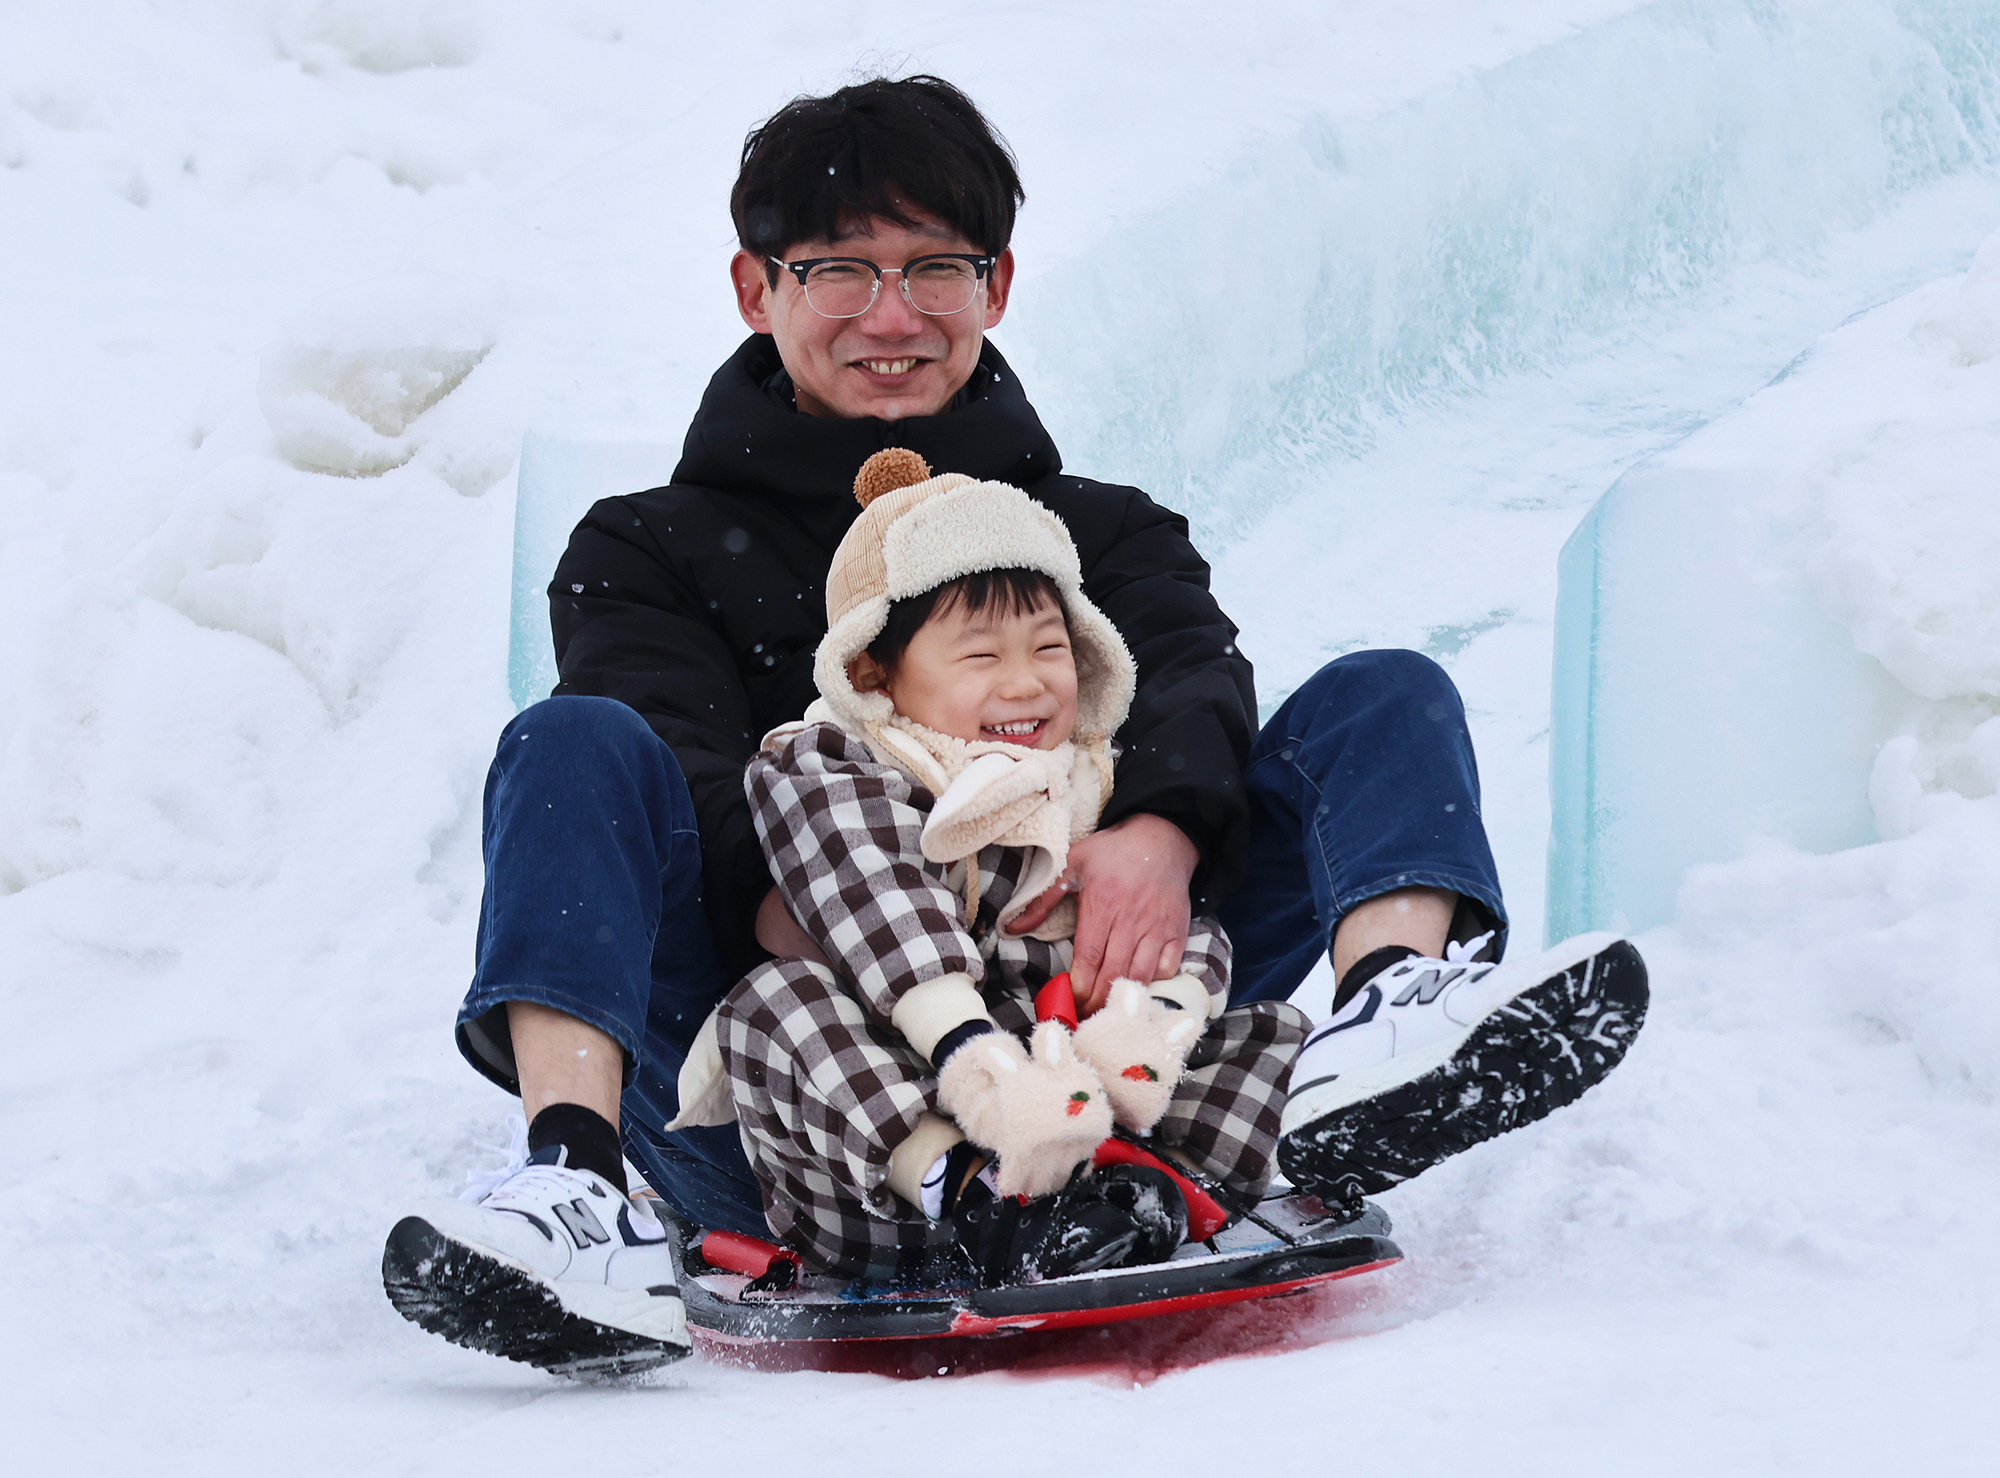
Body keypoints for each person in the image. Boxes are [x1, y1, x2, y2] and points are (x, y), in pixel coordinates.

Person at [382, 75, 1647, 1376]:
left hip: (1101, 1024)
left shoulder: (1102, 530)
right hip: (785, 1090)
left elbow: (1190, 677)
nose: (894, 311)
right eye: (837, 268)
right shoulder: (648, 546)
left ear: (996, 282)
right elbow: (685, 760)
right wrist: (866, 909)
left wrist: (1153, 828)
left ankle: (1380, 1037)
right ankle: (581, 1190)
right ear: (756, 288)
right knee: (573, 746)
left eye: (937, 263)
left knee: (1383, 696)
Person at [664, 447, 1307, 1285]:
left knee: (1253, 1019)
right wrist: (985, 1072)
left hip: (1081, 1104)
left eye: (1049, 649)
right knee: (776, 1007)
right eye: (980, 657)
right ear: (873, 671)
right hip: (896, 1154)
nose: (1026, 685)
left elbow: (1181, 933)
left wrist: (1152, 1014)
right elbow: (888, 914)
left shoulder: (1090, 779)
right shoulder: (826, 767)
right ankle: (978, 1199)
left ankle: (1142, 1197)